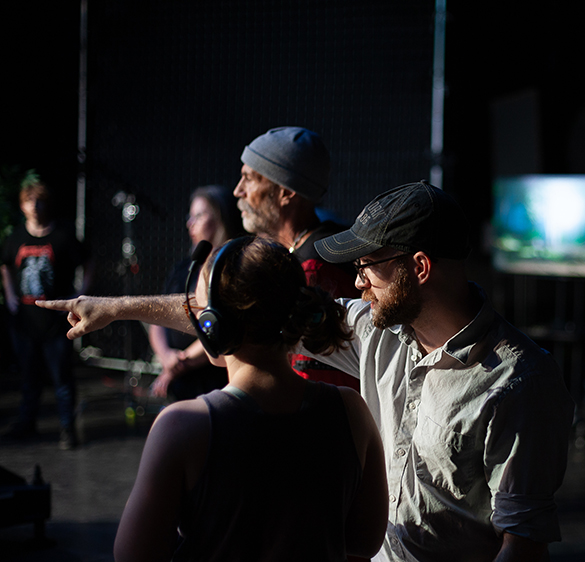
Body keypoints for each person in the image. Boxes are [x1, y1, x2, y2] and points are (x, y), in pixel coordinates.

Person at [38, 180, 575, 561]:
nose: (356, 282)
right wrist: (114, 307)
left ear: (419, 268)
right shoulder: (375, 329)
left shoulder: (520, 384)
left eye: (367, 266)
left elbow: (522, 545)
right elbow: (247, 309)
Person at [113, 235, 388, 561]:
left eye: (200, 311)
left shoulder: (181, 427)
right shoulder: (351, 411)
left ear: (214, 327)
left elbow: (132, 555)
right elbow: (365, 542)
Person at [235, 126, 360, 388]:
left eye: (250, 178)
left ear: (286, 192)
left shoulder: (316, 268)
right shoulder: (302, 251)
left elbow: (314, 381)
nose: (238, 191)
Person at [1, 179, 93, 449]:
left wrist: (81, 295)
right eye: (30, 201)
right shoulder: (16, 237)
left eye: (39, 200)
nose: (35, 206)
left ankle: (67, 429)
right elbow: (5, 265)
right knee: (29, 379)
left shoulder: (62, 236)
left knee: (62, 378)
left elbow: (88, 261)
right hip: (25, 323)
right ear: (22, 206)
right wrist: (9, 296)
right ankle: (27, 425)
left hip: (56, 323)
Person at [148, 185, 244, 400]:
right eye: (189, 217)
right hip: (179, 380)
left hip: (213, 383)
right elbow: (158, 315)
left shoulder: (235, 268)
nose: (189, 224)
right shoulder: (184, 268)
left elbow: (220, 326)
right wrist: (166, 357)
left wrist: (180, 362)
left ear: (220, 218)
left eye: (198, 216)